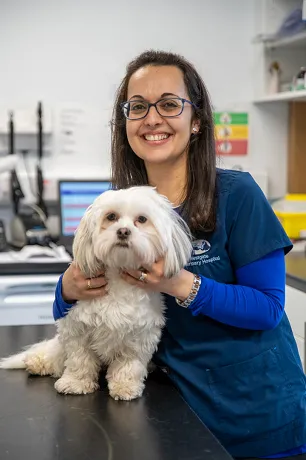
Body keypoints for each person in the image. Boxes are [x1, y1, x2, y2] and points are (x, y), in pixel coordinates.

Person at [53, 50, 306, 459]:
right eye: (138, 107)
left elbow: (267, 309)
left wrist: (177, 282)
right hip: (173, 411)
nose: (152, 118)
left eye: (169, 104)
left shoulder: (237, 195)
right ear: (125, 124)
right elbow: (84, 311)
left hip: (255, 414)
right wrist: (65, 290)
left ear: (197, 121)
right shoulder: (127, 205)